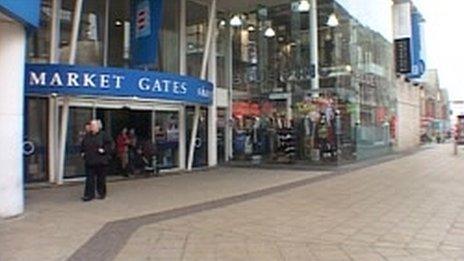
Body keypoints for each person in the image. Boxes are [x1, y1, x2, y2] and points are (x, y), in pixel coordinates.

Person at [80, 119, 113, 201]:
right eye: (91, 126)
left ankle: (101, 193)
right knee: (89, 179)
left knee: (101, 178)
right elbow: (83, 145)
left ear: (98, 126)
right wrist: (82, 152)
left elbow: (110, 145)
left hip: (100, 161)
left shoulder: (104, 135)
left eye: (94, 126)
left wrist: (104, 150)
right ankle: (89, 195)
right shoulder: (87, 136)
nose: (92, 127)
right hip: (90, 161)